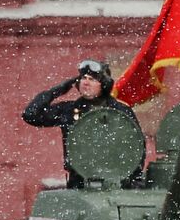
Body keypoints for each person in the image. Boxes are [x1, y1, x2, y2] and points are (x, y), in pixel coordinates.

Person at [22, 59, 141, 187]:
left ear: (104, 84)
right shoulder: (69, 110)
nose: (86, 83)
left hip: (116, 182)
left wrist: (132, 177)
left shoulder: (120, 111)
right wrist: (57, 90)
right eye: (84, 78)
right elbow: (31, 115)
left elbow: (136, 145)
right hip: (79, 182)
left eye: (93, 79)